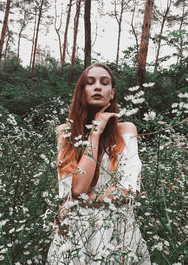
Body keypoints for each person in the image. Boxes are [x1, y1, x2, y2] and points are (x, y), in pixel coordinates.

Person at [47, 63, 151, 264]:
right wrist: (95, 132)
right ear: (81, 91)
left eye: (104, 83)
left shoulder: (126, 130)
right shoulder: (65, 132)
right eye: (90, 82)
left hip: (118, 228)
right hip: (76, 231)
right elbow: (77, 188)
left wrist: (83, 200)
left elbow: (129, 189)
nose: (97, 87)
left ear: (111, 94)